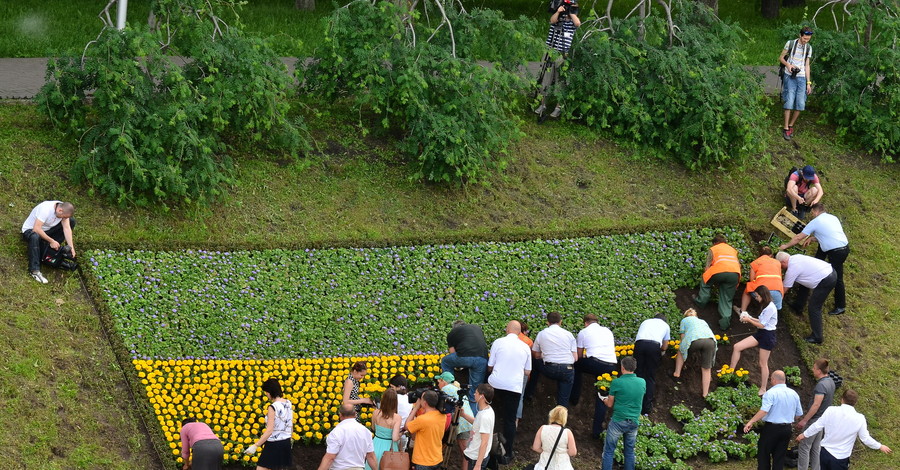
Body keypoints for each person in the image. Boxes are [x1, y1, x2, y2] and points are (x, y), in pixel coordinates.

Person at [780, 203, 849, 316]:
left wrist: (785, 246)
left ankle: (840, 306)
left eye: (812, 213)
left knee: (837, 278)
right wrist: (813, 238)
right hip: (841, 248)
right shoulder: (832, 217)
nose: (812, 215)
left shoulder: (816, 221)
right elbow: (830, 234)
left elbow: (798, 237)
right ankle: (799, 304)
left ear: (816, 211)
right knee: (809, 269)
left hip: (836, 252)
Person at [797, 389, 892, 469]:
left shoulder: (831, 410)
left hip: (825, 453)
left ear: (842, 399)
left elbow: (817, 425)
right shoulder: (860, 418)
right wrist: (879, 446)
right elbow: (865, 438)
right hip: (841, 457)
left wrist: (804, 434)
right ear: (855, 402)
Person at [487, 320, 533, 464]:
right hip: (513, 387)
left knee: (489, 416)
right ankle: (507, 453)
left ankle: (487, 449)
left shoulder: (498, 342)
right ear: (520, 332)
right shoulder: (525, 347)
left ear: (507, 330)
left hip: (495, 384)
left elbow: (490, 366)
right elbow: (527, 371)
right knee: (509, 420)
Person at [743, 371, 803, 470]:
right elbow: (798, 414)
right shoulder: (794, 394)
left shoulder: (770, 393)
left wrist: (751, 421)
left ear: (774, 380)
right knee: (779, 457)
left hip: (771, 428)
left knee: (764, 455)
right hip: (787, 429)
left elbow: (764, 411)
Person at [570, 313, 618, 436]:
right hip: (611, 365)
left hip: (595, 363)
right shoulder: (608, 331)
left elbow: (579, 356)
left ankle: (574, 397)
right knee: (602, 395)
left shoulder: (583, 332)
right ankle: (597, 431)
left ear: (586, 323)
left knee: (576, 365)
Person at [534, 0, 581, 120]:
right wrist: (558, 12)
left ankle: (558, 107)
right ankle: (542, 104)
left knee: (561, 81)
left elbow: (577, 23)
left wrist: (572, 13)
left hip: (563, 54)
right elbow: (552, 20)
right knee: (546, 79)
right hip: (551, 51)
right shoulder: (557, 20)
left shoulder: (571, 24)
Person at [776, 251, 836, 344]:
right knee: (803, 284)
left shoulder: (792, 268)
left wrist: (775, 302)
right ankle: (798, 305)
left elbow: (784, 288)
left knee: (814, 307)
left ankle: (817, 337)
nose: (781, 268)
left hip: (826, 279)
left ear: (783, 262)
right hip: (830, 271)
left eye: (780, 266)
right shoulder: (796, 257)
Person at [731, 286, 779, 396]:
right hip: (761, 334)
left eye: (757, 296)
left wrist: (748, 320)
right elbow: (761, 320)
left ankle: (763, 388)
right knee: (737, 347)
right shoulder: (766, 306)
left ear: (762, 295)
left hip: (767, 336)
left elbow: (762, 325)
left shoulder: (770, 307)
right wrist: (750, 317)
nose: (756, 298)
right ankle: (730, 371)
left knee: (762, 363)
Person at [600, 356, 645, 470]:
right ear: (634, 368)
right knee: (629, 452)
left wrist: (603, 398)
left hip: (618, 421)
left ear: (622, 367)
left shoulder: (617, 382)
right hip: (634, 421)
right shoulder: (642, 382)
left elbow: (610, 404)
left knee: (609, 451)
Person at [20, 200, 76, 284]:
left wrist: (71, 247)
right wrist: (51, 240)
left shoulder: (62, 209)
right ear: (60, 210)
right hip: (30, 231)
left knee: (71, 221)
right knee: (35, 236)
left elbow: (67, 228)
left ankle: (51, 252)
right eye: (63, 217)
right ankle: (34, 270)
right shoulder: (45, 209)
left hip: (46, 231)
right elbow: (36, 229)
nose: (63, 219)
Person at [694, 234, 742, 330]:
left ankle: (701, 301)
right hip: (734, 274)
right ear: (725, 242)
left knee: (706, 280)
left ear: (715, 243)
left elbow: (707, 266)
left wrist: (707, 275)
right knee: (726, 298)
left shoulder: (714, 249)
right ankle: (724, 323)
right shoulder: (732, 250)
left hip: (718, 271)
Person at [795, 359, 836, 470]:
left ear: (819, 370)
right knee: (815, 447)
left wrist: (805, 420)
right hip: (823, 420)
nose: (813, 370)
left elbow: (816, 405)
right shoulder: (831, 382)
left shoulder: (821, 386)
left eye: (814, 368)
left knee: (804, 446)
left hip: (815, 420)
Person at [245, 378, 293, 470]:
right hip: (286, 442)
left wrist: (256, 445)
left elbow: (269, 430)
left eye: (266, 392)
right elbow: (290, 424)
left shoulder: (272, 407)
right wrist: (290, 439)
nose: (266, 394)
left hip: (274, 444)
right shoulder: (288, 403)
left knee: (261, 468)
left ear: (271, 391)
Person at [530, 312, 577, 408]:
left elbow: (535, 354)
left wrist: (544, 355)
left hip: (549, 369)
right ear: (560, 322)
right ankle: (561, 419)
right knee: (563, 401)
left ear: (547, 322)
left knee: (534, 362)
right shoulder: (569, 334)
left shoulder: (541, 334)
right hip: (567, 369)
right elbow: (575, 358)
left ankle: (529, 392)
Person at [441, 320, 489, 410]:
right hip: (482, 359)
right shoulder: (476, 327)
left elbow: (452, 353)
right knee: (475, 393)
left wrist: (459, 366)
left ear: (454, 328)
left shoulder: (452, 333)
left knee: (445, 361)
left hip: (464, 357)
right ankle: (474, 420)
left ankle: (449, 387)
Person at [318, 404, 378, 470]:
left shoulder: (336, 432)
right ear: (355, 414)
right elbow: (370, 456)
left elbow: (330, 457)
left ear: (340, 415)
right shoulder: (366, 432)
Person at [672, 308, 717, 398]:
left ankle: (677, 373)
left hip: (694, 340)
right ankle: (705, 394)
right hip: (710, 341)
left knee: (681, 350)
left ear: (686, 315)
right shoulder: (702, 321)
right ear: (696, 316)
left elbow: (683, 338)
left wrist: (685, 350)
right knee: (706, 368)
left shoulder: (684, 320)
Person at [779, 27, 814, 141]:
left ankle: (791, 125)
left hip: (802, 78)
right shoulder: (790, 44)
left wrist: (808, 83)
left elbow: (807, 65)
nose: (805, 41)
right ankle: (785, 128)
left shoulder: (809, 48)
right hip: (790, 76)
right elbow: (781, 58)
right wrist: (788, 65)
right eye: (804, 38)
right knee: (789, 101)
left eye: (808, 39)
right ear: (800, 35)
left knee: (800, 103)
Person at [632, 313, 670, 415]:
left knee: (637, 374)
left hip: (639, 345)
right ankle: (646, 408)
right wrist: (660, 352)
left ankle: (634, 403)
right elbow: (665, 347)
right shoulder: (665, 326)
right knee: (650, 377)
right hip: (654, 346)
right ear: (664, 320)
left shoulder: (645, 322)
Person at [436, 372, 475, 470]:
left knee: (465, 453)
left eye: (438, 382)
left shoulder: (446, 389)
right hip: (466, 421)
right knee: (465, 453)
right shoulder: (456, 388)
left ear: (443, 382)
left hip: (462, 423)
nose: (437, 385)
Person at [406, 390, 446, 470]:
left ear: (425, 403)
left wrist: (416, 408)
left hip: (423, 461)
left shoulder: (422, 419)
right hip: (437, 458)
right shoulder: (442, 416)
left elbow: (407, 426)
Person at [459, 384, 496, 470]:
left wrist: (478, 465)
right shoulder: (488, 410)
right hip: (475, 455)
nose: (474, 394)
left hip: (476, 458)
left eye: (476, 393)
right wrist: (464, 415)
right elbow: (477, 423)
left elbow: (484, 442)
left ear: (481, 396)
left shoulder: (484, 416)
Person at [530, 405, 576, 470]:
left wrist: (546, 451)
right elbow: (573, 452)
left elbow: (535, 447)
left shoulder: (542, 428)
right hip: (562, 466)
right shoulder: (567, 432)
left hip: (544, 465)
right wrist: (562, 452)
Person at [740, 246, 785, 312]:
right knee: (772, 311)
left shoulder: (755, 262)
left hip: (763, 291)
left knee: (748, 289)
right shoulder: (777, 263)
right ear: (771, 255)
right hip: (778, 293)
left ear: (759, 254)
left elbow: (752, 280)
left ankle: (742, 312)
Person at [366, 388, 401, 470]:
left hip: (376, 443)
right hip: (389, 447)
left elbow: (373, 428)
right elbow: (395, 438)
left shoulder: (376, 413)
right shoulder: (397, 418)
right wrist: (401, 434)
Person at [389, 375, 413, 451]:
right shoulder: (409, 398)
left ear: (398, 387)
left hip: (392, 433)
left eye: (392, 387)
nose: (391, 390)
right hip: (404, 434)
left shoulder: (394, 398)